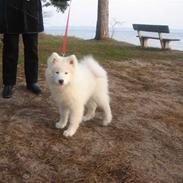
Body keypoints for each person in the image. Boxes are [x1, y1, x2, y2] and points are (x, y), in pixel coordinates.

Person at [0, 0, 44, 98]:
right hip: (9, 7)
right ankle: (8, 83)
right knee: (10, 48)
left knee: (32, 48)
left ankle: (32, 81)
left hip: (30, 7)